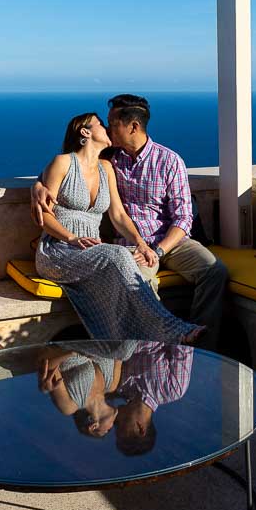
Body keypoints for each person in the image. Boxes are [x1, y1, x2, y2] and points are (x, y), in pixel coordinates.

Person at [33, 95, 229, 347]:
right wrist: (36, 186)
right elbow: (64, 171)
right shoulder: (112, 159)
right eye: (104, 124)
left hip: (168, 241)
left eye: (112, 123)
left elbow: (181, 217)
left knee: (215, 272)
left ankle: (203, 349)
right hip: (128, 247)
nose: (108, 127)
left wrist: (156, 249)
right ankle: (157, 352)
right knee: (141, 282)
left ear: (133, 126)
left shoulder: (167, 161)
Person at [111, 341, 193, 456]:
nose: (115, 422)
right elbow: (182, 341)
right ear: (140, 428)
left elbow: (110, 350)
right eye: (120, 426)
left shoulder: (119, 386)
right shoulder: (173, 389)